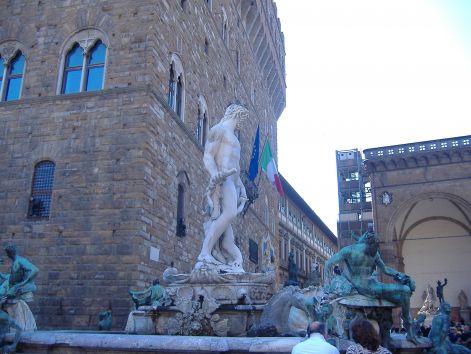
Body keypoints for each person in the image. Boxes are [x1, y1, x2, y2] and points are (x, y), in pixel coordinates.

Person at [323, 224, 417, 343]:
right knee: (405, 291)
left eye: (377, 247)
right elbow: (328, 263)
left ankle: (407, 332)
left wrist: (401, 275)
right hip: (364, 286)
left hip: (372, 283)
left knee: (404, 294)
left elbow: (386, 269)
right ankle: (409, 332)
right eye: (375, 247)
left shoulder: (374, 252)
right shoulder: (351, 250)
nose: (376, 251)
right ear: (368, 244)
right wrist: (327, 283)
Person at [196, 103, 249, 272]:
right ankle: (204, 253)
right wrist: (214, 174)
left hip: (233, 182)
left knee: (228, 238)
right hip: (223, 180)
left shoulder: (235, 139)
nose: (242, 123)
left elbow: (237, 168)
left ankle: (227, 261)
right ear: (237, 115)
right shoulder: (218, 130)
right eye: (243, 118)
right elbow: (208, 156)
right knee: (229, 213)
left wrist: (242, 188)